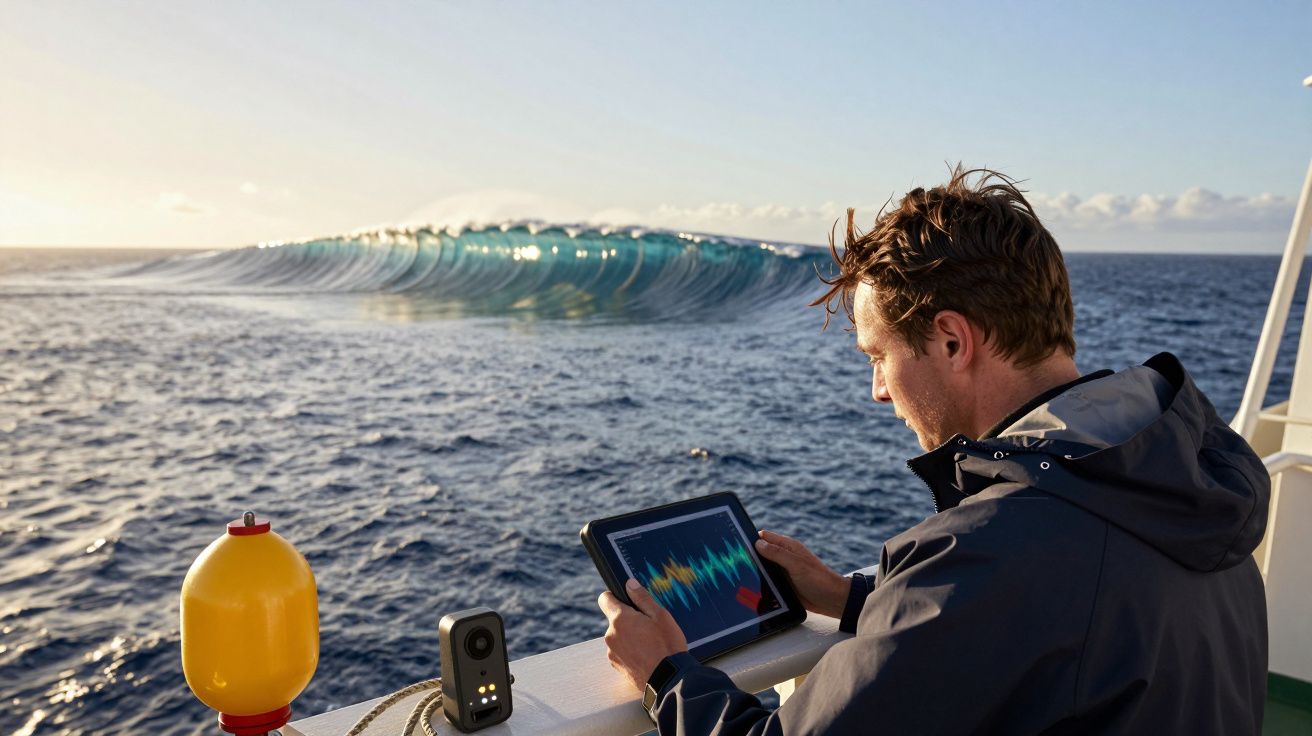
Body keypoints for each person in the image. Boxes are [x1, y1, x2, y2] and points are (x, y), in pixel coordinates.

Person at [598, 167, 1270, 734]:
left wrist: (666, 672)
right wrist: (855, 600)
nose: (877, 392)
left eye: (879, 357)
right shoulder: (1189, 478)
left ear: (952, 341)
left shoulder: (998, 550)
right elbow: (1053, 633)